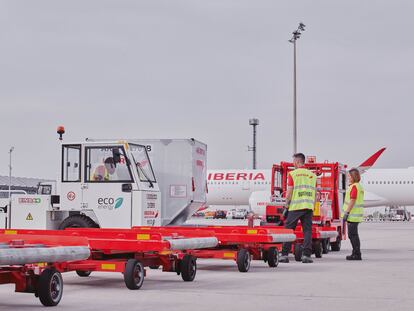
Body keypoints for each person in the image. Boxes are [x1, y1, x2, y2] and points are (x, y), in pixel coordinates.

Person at [279, 153, 317, 264]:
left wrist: (286, 206)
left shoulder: (293, 174)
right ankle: (306, 255)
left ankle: (285, 255)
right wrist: (313, 206)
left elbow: (289, 192)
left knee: (289, 231)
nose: (293, 163)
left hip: (295, 207)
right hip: (308, 207)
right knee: (307, 231)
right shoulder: (312, 175)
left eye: (293, 161)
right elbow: (314, 193)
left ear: (297, 161)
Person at [342, 168, 364, 260]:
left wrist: (346, 212)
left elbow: (352, 200)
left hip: (352, 215)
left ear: (353, 177)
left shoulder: (354, 186)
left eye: (349, 176)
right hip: (356, 215)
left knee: (353, 235)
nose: (348, 178)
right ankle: (356, 253)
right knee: (354, 235)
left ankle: (356, 254)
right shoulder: (359, 186)